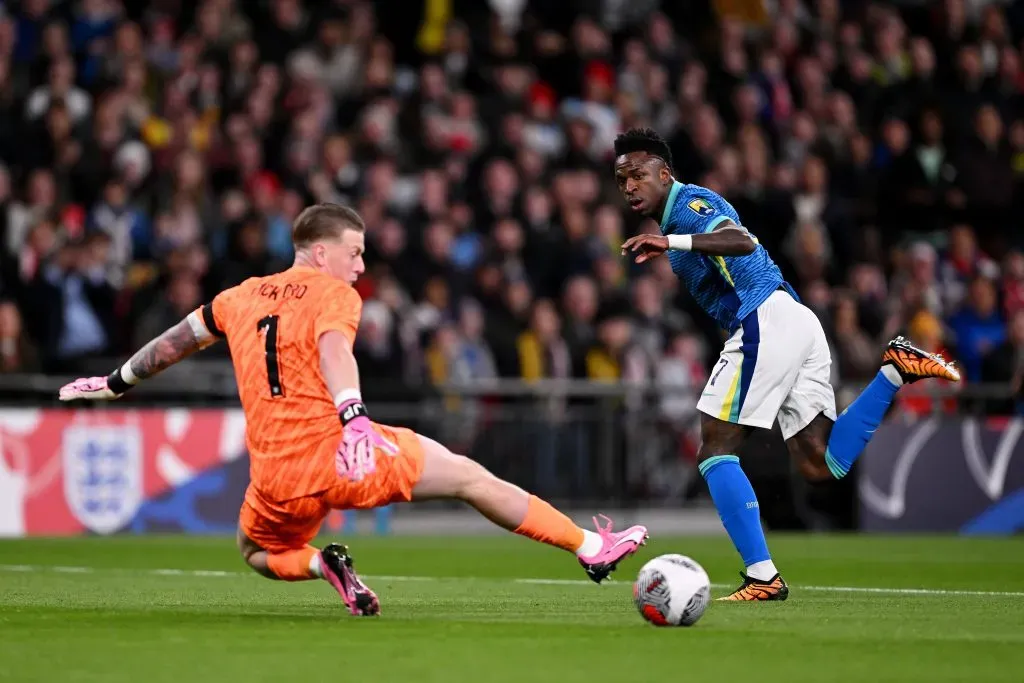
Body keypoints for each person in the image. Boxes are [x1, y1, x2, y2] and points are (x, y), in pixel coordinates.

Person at [58, 203, 648, 616]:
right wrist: (353, 415)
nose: (361, 266)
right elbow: (334, 348)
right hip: (342, 454)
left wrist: (115, 382)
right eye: (355, 253)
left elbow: (174, 343)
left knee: (257, 552)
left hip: (275, 477)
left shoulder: (236, 297)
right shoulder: (333, 292)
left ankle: (322, 568)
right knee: (468, 476)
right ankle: (588, 548)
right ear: (320, 252)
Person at [612, 128, 959, 601]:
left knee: (714, 445)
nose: (629, 186)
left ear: (664, 173)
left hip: (767, 318)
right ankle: (894, 370)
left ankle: (762, 577)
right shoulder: (679, 221)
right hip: (792, 320)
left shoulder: (691, 205)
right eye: (621, 180)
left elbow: (741, 242)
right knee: (821, 461)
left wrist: (673, 242)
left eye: (637, 175)